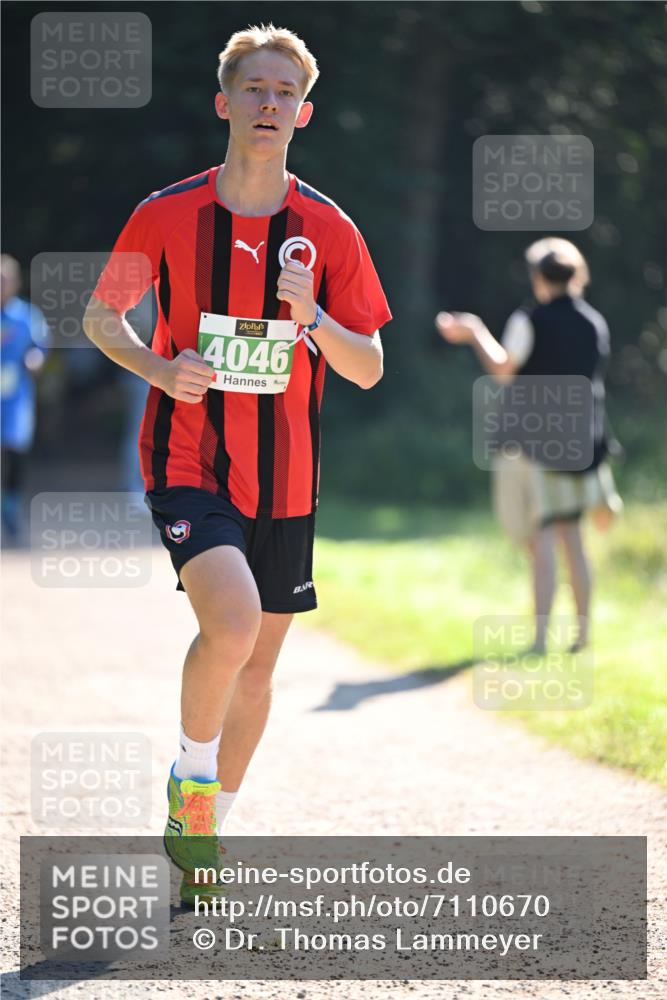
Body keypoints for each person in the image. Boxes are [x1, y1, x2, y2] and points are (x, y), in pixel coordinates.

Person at [83, 24, 391, 905]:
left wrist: (312, 322)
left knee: (258, 666)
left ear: (304, 111)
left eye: (283, 92)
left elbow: (367, 364)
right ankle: (191, 775)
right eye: (252, 88)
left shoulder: (328, 229)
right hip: (191, 457)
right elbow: (104, 319)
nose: (267, 104)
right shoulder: (166, 211)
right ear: (225, 103)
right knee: (233, 624)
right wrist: (159, 367)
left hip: (289, 474)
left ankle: (205, 828)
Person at [435, 237, 622, 654]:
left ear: (539, 277)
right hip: (581, 442)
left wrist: (473, 331)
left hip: (535, 443)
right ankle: (582, 635)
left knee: (539, 540)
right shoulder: (595, 321)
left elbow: (503, 370)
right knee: (571, 536)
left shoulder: (530, 319)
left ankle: (540, 638)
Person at [1, 254, 50, 541]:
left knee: (14, 450)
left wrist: (35, 359)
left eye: (5, 281)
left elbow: (41, 346)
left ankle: (9, 505)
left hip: (15, 397)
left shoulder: (27, 316)